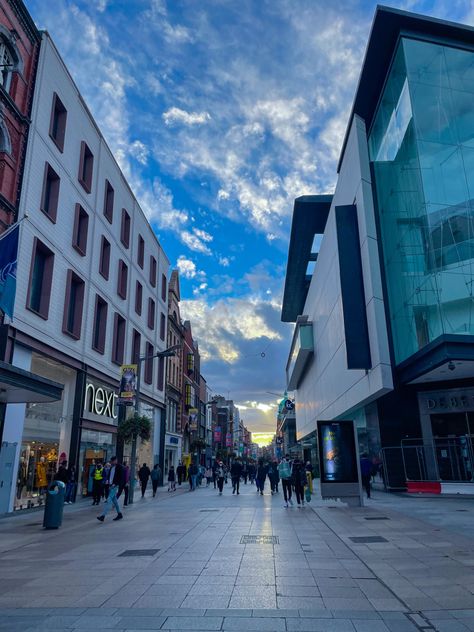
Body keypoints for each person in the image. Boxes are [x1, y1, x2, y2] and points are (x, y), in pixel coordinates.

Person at [97, 456, 124, 522]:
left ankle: (103, 516)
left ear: (116, 460)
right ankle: (119, 514)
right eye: (111, 461)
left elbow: (121, 477)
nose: (111, 462)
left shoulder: (120, 467)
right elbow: (110, 476)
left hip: (115, 486)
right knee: (115, 501)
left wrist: (116, 484)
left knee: (108, 500)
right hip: (111, 485)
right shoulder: (112, 467)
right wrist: (108, 481)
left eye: (113, 461)